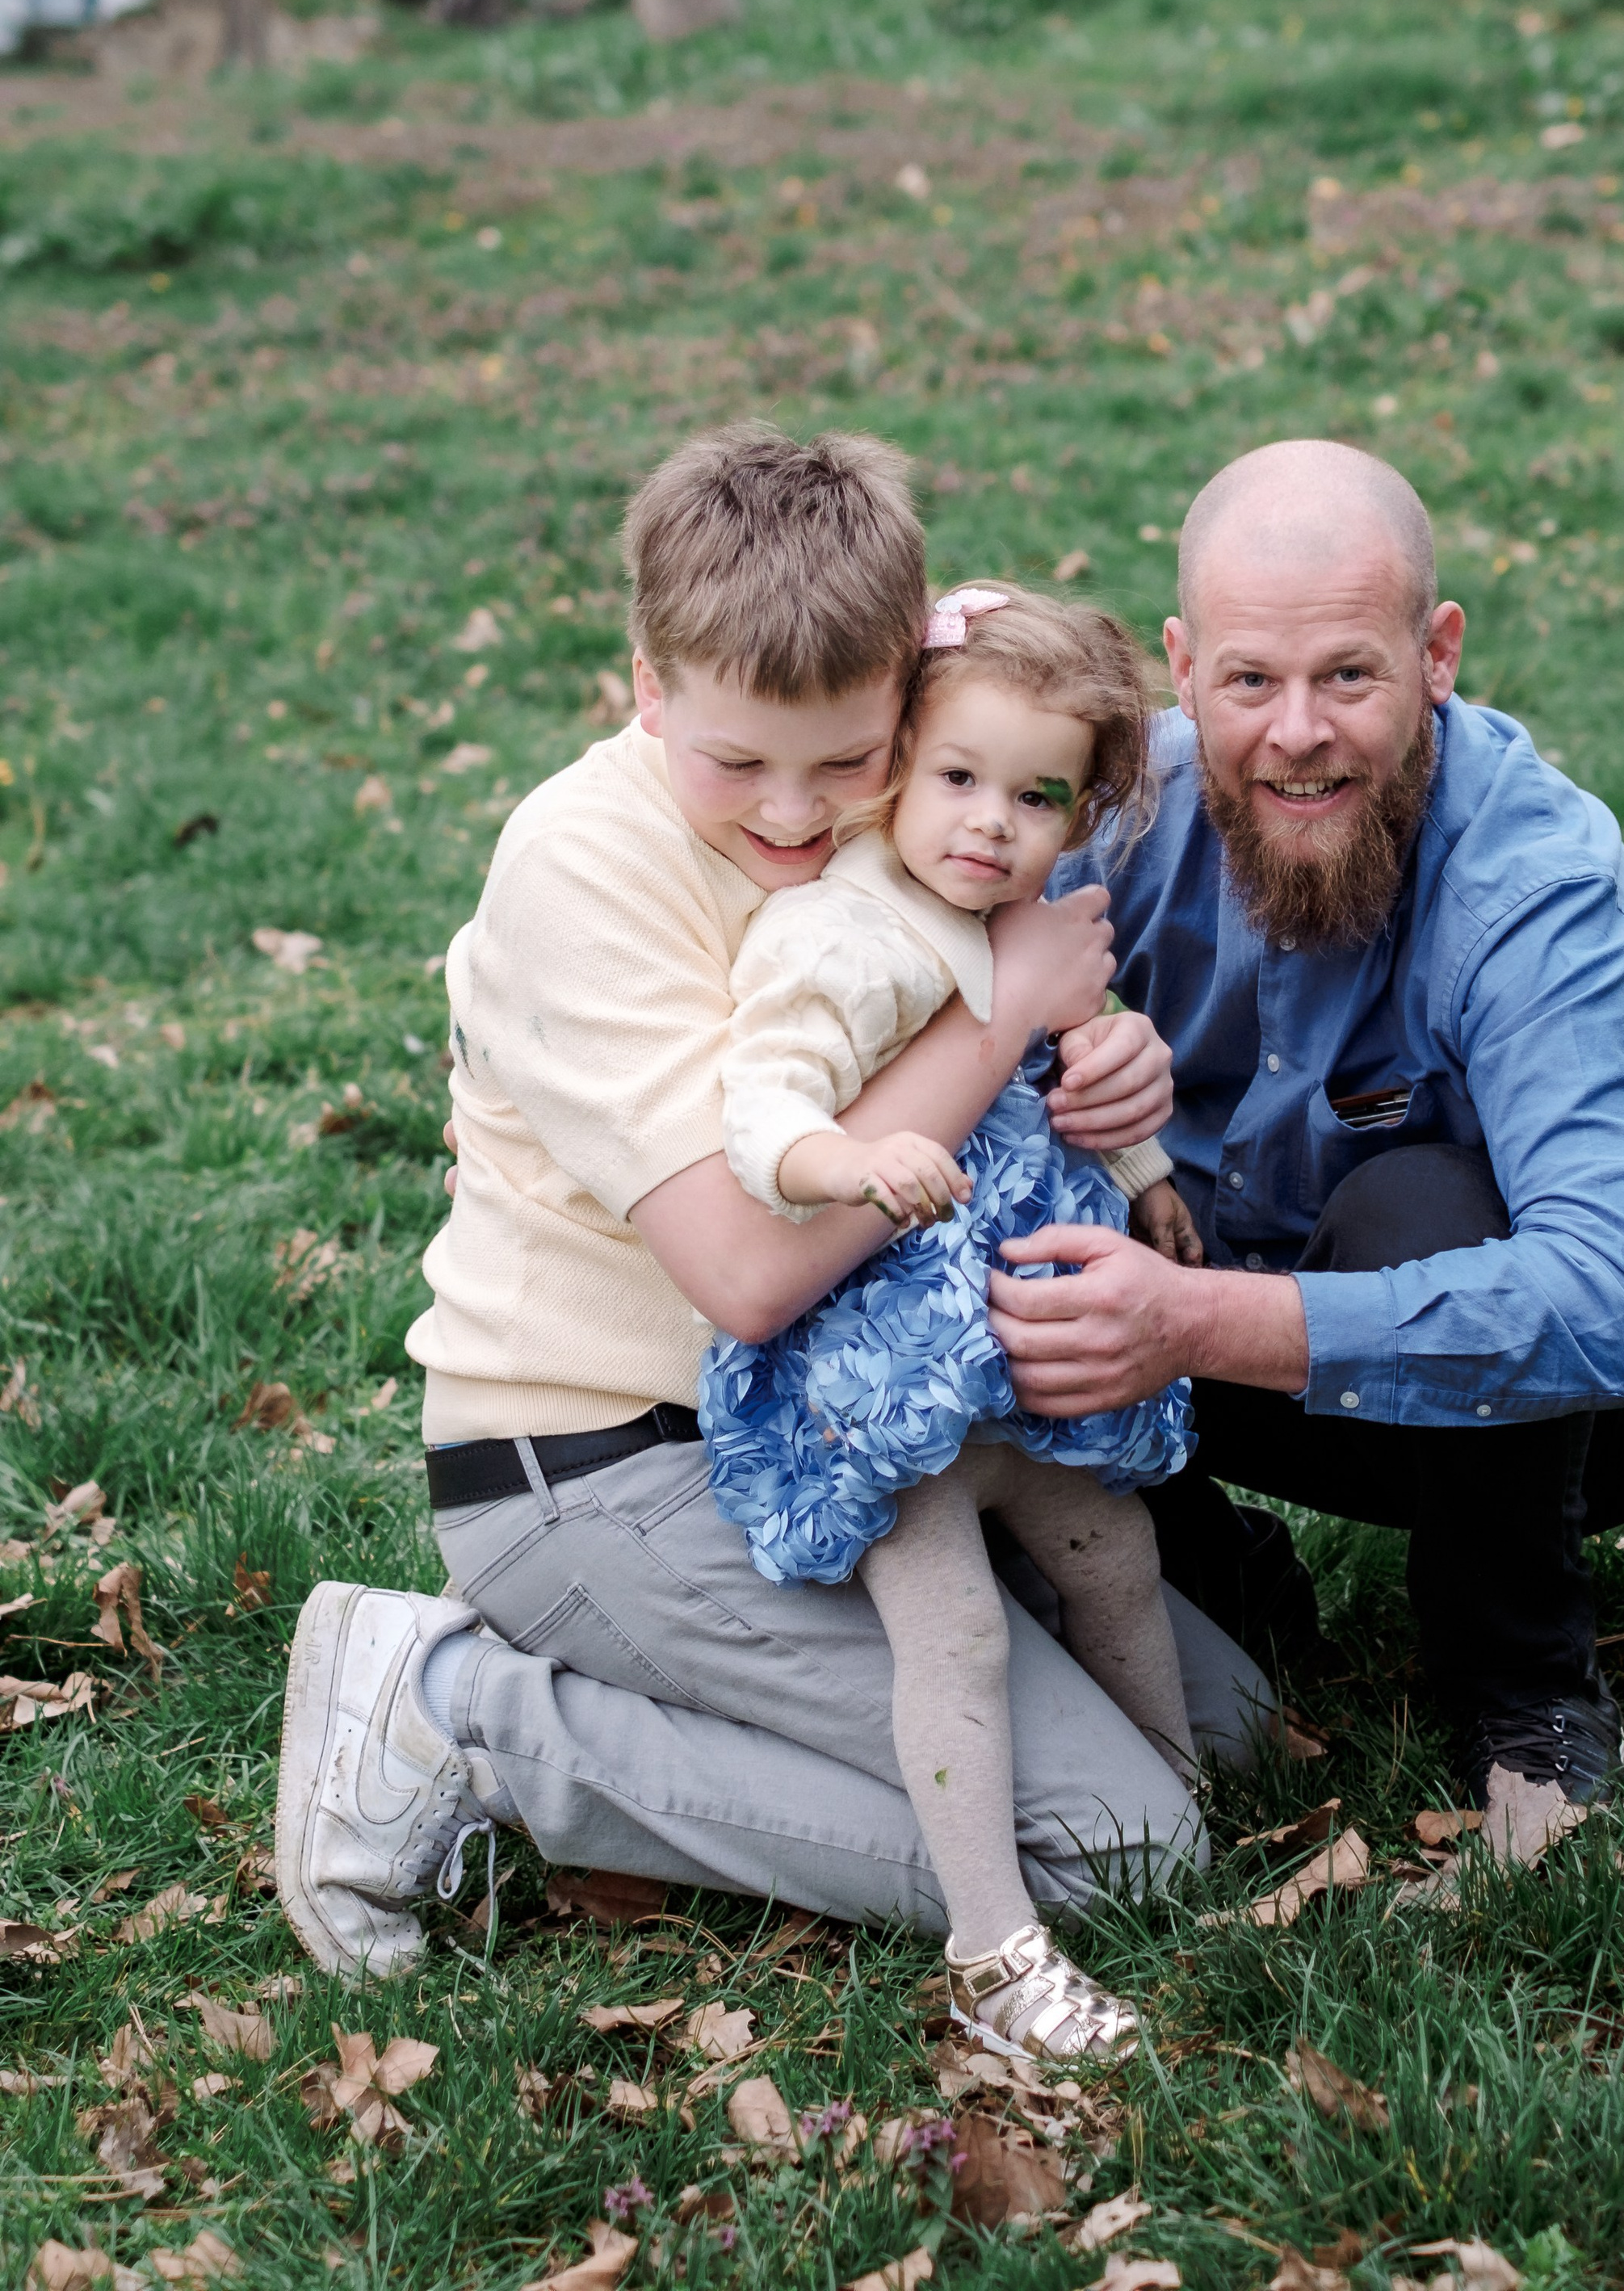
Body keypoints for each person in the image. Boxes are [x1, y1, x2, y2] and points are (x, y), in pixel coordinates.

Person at [273, 426, 1271, 1982]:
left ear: (905, 690)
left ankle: (723, 1716)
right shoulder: (584, 866)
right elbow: (747, 1271)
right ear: (648, 687)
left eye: (847, 762)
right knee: (1126, 1848)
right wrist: (1001, 1018)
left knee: (1234, 1727)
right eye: (736, 763)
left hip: (858, 1418)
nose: (797, 816)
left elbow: (1012, 817)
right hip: (603, 1464)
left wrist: (1100, 1069)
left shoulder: (908, 786)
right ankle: (460, 1716)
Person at [993, 438, 1624, 1812]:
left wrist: (1187, 1322)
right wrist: (1055, 1048)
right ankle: (1221, 1577)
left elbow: (1610, 1307)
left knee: (1426, 1206)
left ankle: (1524, 1689)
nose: (1298, 733)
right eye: (1251, 681)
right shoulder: (1117, 809)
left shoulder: (1542, 892)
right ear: (1183, 669)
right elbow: (908, 888)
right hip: (1258, 1276)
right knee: (1009, 1183)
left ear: (1438, 656)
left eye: (1349, 675)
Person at [707, 582, 1200, 2062]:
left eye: (1036, 798)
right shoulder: (841, 937)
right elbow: (761, 1104)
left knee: (1117, 1556)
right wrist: (844, 1162)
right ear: (899, 768)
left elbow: (1077, 1070)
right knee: (956, 1630)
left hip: (1016, 1360)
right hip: (880, 1374)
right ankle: (992, 1945)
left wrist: (1149, 1175)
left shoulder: (1022, 924)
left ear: (1082, 815)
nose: (991, 824)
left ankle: (1175, 1809)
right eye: (960, 779)